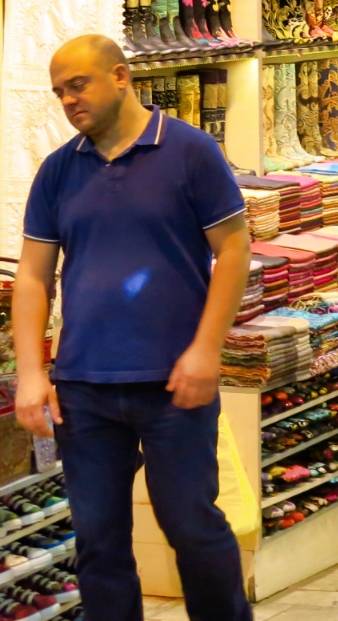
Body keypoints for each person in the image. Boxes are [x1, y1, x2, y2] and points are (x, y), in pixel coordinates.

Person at [14, 35, 253, 621]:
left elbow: (235, 249)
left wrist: (206, 349)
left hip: (175, 383)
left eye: (79, 85)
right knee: (99, 544)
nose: (68, 100)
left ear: (120, 76)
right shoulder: (57, 171)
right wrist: (29, 372)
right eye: (59, 92)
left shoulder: (190, 151)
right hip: (83, 389)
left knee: (193, 528)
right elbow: (32, 277)